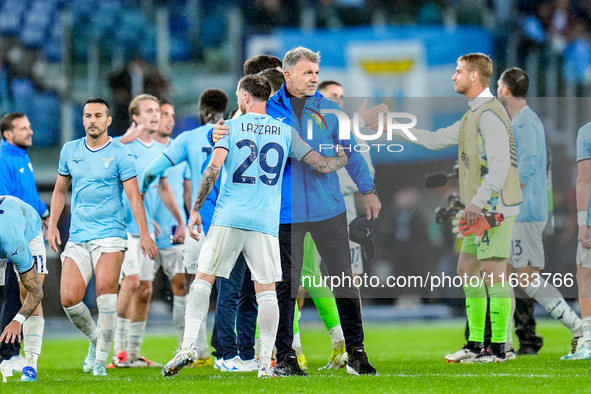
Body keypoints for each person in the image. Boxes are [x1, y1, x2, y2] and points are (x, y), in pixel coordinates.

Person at [162, 74, 348, 379]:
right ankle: (264, 364)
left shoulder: (230, 127)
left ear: (246, 97)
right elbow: (321, 164)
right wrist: (342, 157)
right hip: (264, 222)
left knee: (204, 280)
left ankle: (187, 348)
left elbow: (214, 168)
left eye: (238, 96)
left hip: (228, 217)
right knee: (266, 291)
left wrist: (196, 209)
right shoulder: (285, 131)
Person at [213, 46, 381, 376]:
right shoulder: (266, 112)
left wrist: (369, 191)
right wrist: (214, 132)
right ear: (287, 76)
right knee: (285, 288)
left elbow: (353, 154)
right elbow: (235, 132)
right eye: (308, 72)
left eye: (316, 72)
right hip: (285, 212)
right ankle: (286, 357)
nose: (314, 78)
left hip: (329, 209)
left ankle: (356, 353)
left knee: (344, 282)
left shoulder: (331, 111)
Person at [396, 53, 522, 363]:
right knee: (467, 269)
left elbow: (500, 165)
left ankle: (500, 350)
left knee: (493, 273)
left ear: (475, 77)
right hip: (478, 208)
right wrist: (389, 127)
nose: (454, 77)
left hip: (494, 207)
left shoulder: (490, 113)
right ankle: (476, 344)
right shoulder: (472, 115)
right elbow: (434, 139)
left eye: (459, 71)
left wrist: (477, 203)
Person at [45, 98, 158, 376]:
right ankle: (97, 342)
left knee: (105, 296)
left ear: (108, 121)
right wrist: (52, 224)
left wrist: (143, 234)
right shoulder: (70, 150)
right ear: (82, 120)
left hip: (110, 234)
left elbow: (133, 195)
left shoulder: (120, 153)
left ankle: (99, 363)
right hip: (79, 234)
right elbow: (60, 190)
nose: (91, 120)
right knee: (69, 299)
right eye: (87, 115)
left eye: (98, 115)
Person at [497, 67, 583, 359]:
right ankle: (503, 345)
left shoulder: (527, 123)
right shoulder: (519, 121)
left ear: (505, 90)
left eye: (499, 84)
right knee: (504, 275)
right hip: (519, 210)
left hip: (524, 212)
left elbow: (529, 167)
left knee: (526, 279)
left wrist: (505, 200)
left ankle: (577, 327)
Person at [141, 89, 229, 366]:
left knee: (195, 283)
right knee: (239, 287)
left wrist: (143, 188)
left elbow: (153, 170)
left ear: (202, 111)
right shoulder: (234, 133)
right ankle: (243, 351)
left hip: (201, 221)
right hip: (233, 220)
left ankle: (198, 349)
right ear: (224, 111)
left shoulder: (188, 138)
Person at [110, 94, 185, 368]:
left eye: (157, 110)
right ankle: (116, 350)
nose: (155, 115)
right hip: (121, 227)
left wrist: (180, 220)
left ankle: (132, 354)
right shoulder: (121, 146)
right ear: (136, 117)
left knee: (144, 290)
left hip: (143, 228)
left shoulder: (158, 151)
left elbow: (163, 188)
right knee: (130, 283)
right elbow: (98, 161)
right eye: (149, 111)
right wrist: (121, 142)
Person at [0, 113, 49, 372]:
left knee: (15, 293)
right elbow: (5, 200)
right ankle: (8, 353)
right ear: (8, 134)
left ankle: (9, 353)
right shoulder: (4, 159)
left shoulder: (21, 156)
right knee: (10, 293)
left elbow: (28, 196)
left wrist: (45, 214)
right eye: (23, 128)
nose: (30, 132)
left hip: (26, 229)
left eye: (30, 126)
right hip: (14, 234)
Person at [149, 99, 191, 349]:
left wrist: (189, 221)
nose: (169, 119)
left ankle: (182, 346)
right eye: (164, 114)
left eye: (172, 114)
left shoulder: (180, 150)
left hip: (175, 230)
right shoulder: (140, 148)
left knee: (180, 285)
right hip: (143, 230)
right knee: (138, 290)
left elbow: (187, 192)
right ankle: (124, 351)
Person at [0, 196, 45, 382]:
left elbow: (37, 292)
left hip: (28, 228)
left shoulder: (13, 243)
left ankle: (30, 364)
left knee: (26, 293)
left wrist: (17, 320)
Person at [572, 118, 591, 359]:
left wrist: (582, 222)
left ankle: (588, 341)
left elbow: (585, 179)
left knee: (585, 275)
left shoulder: (587, 131)